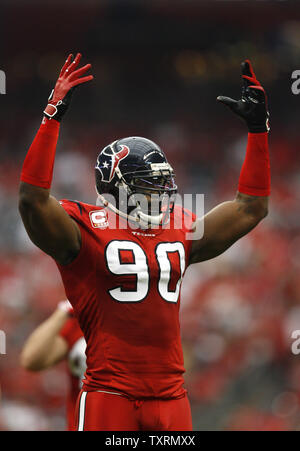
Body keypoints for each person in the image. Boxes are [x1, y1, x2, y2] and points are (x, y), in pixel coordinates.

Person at [18, 53, 270, 431]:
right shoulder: (84, 229)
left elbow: (251, 208)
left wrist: (258, 131)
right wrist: (51, 118)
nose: (163, 193)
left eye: (163, 183)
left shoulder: (181, 228)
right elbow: (32, 202)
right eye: (150, 185)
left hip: (172, 397)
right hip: (109, 395)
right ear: (117, 186)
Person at [20, 300, 86, 431]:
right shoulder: (81, 320)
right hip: (83, 423)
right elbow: (31, 359)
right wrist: (65, 309)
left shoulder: (136, 319)